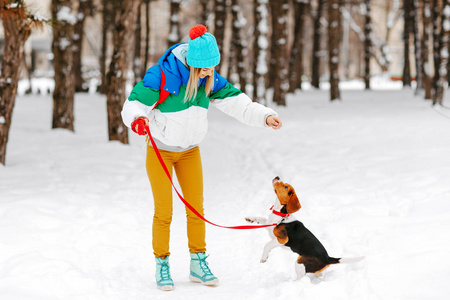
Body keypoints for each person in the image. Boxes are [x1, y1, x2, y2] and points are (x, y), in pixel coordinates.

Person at [121, 24, 282, 291]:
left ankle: (198, 263)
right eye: (205, 68)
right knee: (164, 212)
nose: (210, 72)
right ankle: (162, 264)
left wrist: (264, 116)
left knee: (196, 209)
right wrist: (138, 119)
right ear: (193, 63)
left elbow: (238, 103)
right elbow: (134, 104)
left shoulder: (210, 80)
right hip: (160, 150)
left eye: (213, 67)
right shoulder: (164, 76)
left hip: (189, 152)